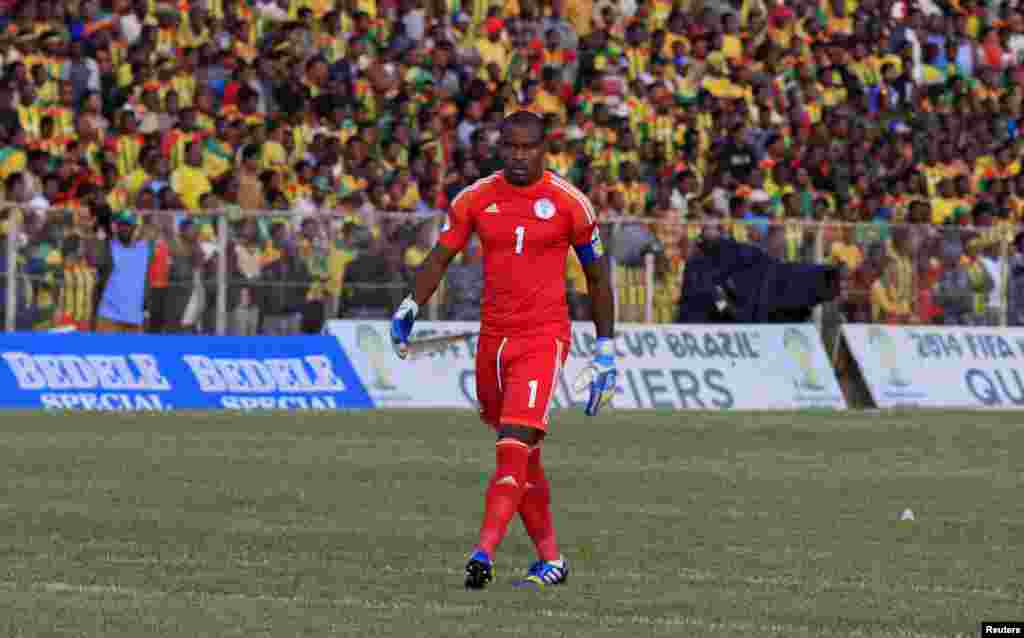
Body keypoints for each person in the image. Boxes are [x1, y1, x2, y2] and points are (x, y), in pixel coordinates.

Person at [390, 111, 618, 591]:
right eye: (510, 147)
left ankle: (483, 552)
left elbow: (597, 277)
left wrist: (606, 350)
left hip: (543, 338)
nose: (518, 156)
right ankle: (551, 561)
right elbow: (441, 255)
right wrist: (412, 303)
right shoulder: (475, 198)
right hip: (492, 341)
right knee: (525, 456)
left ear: (544, 149)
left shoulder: (569, 203)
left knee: (512, 447)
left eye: (528, 147)